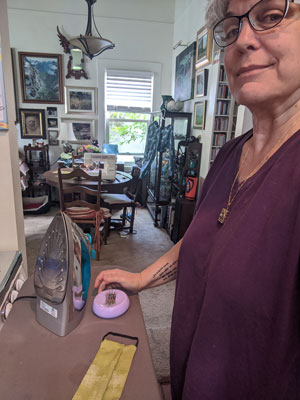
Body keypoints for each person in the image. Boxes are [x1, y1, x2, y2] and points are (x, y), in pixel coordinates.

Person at [95, 0, 300, 397]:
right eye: (229, 28)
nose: (243, 40)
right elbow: (204, 239)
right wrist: (141, 277)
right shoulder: (228, 156)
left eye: (272, 16)